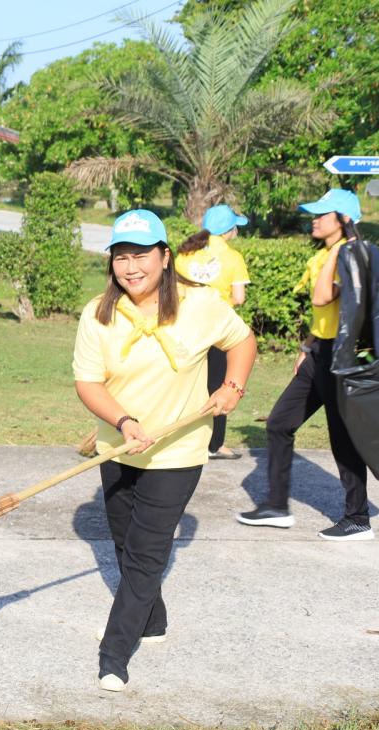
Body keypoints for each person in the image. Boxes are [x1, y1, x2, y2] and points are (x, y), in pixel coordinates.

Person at [74, 209, 256, 692]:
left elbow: (242, 341)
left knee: (146, 552)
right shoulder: (98, 313)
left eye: (141, 256)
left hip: (177, 452)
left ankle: (114, 652)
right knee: (121, 539)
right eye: (121, 257)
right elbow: (88, 383)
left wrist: (232, 386)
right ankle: (151, 622)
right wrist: (124, 422)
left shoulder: (200, 305)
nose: (131, 267)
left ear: (164, 256)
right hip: (117, 446)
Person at [236, 189, 373, 540]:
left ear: (342, 220)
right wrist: (307, 344)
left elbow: (322, 297)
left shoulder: (351, 256)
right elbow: (324, 313)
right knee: (280, 422)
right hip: (319, 353)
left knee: (343, 438)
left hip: (341, 358)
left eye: (322, 214)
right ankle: (277, 507)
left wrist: (341, 247)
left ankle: (358, 519)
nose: (314, 219)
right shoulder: (329, 253)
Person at [174, 204, 252, 460]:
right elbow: (239, 298)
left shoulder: (185, 254)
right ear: (229, 231)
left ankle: (178, 438)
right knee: (217, 386)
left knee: (183, 384)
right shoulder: (233, 258)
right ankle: (214, 445)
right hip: (218, 331)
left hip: (185, 328)